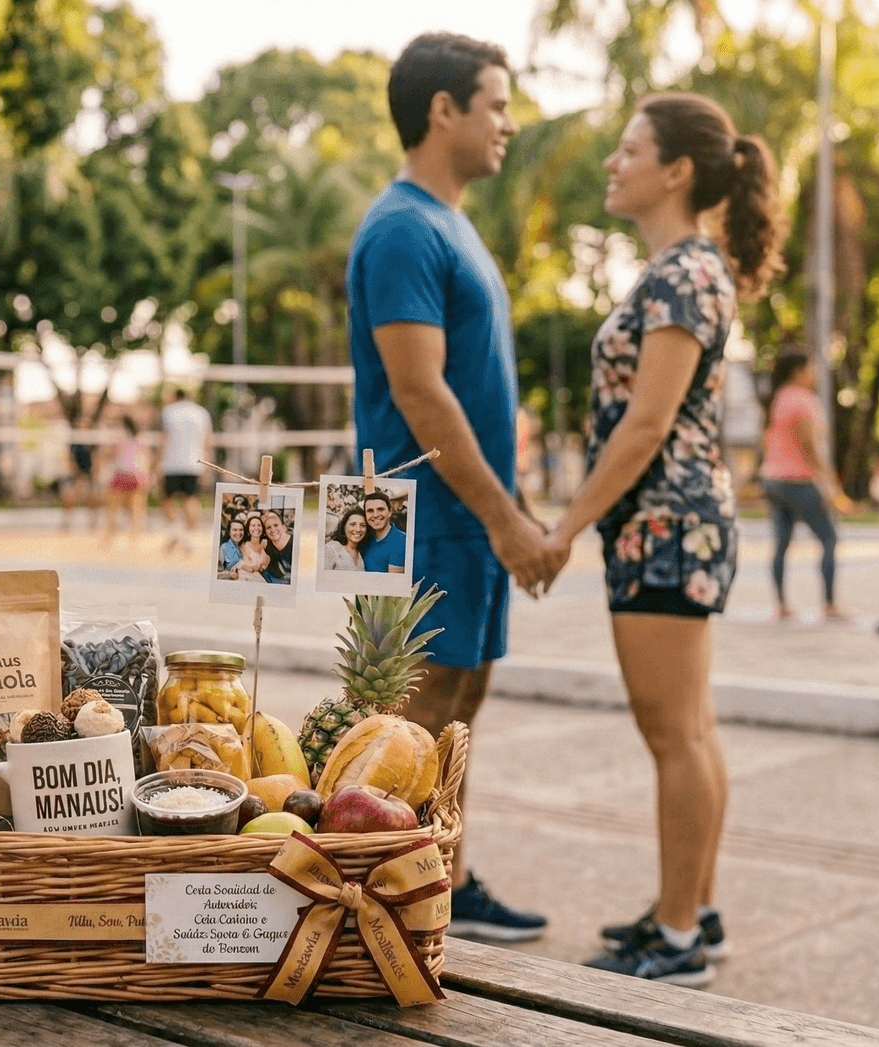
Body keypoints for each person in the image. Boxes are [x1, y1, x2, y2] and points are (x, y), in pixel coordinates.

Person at [535, 92, 789, 985]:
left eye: (629, 148)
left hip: (664, 525)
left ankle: (678, 936)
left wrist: (562, 529)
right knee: (692, 728)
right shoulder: (688, 269)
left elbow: (644, 427)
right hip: (673, 523)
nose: (613, 162)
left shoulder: (684, 275)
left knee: (673, 734)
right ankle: (695, 910)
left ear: (675, 170)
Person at [347, 31, 548, 942]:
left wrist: (512, 506)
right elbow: (421, 391)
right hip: (415, 520)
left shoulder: (452, 223)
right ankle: (381, 906)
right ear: (444, 110)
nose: (508, 123)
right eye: (496, 104)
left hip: (469, 519)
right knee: (406, 727)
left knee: (459, 711)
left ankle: (444, 881)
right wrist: (506, 519)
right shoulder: (400, 228)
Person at [758, 351, 847, 621]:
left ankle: (782, 605)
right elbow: (810, 447)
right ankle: (829, 605)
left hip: (772, 480)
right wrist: (832, 485)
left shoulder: (778, 398)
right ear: (798, 370)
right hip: (798, 481)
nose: (815, 373)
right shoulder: (802, 400)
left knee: (781, 543)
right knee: (829, 538)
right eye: (811, 367)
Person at [157, 389, 214, 555]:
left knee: (167, 499)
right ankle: (188, 536)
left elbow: (164, 439)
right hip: (194, 463)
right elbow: (207, 441)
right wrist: (207, 464)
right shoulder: (201, 413)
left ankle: (177, 532)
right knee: (191, 499)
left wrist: (157, 462)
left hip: (171, 463)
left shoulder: (168, 411)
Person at [101, 414, 148, 548]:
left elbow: (110, 456)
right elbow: (144, 459)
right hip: (136, 476)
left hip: (121, 474)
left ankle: (109, 537)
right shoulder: (139, 440)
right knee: (135, 509)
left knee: (113, 509)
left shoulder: (118, 439)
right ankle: (134, 538)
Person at [359, 490, 408, 574]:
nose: (375, 515)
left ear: (390, 512)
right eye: (370, 511)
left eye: (380, 509)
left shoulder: (401, 540)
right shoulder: (364, 538)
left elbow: (392, 582)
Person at [324, 507, 370, 572]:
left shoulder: (361, 553)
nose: (358, 529)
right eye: (352, 524)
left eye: (362, 525)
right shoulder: (332, 549)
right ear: (344, 526)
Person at [234, 512, 271, 581]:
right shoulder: (244, 546)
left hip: (269, 577)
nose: (256, 528)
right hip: (250, 579)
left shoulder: (266, 543)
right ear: (248, 529)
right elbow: (249, 567)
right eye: (253, 525)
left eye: (259, 525)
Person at [262, 509, 294, 584]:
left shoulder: (295, 542)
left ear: (283, 527)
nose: (273, 530)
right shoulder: (266, 544)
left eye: (276, 525)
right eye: (268, 527)